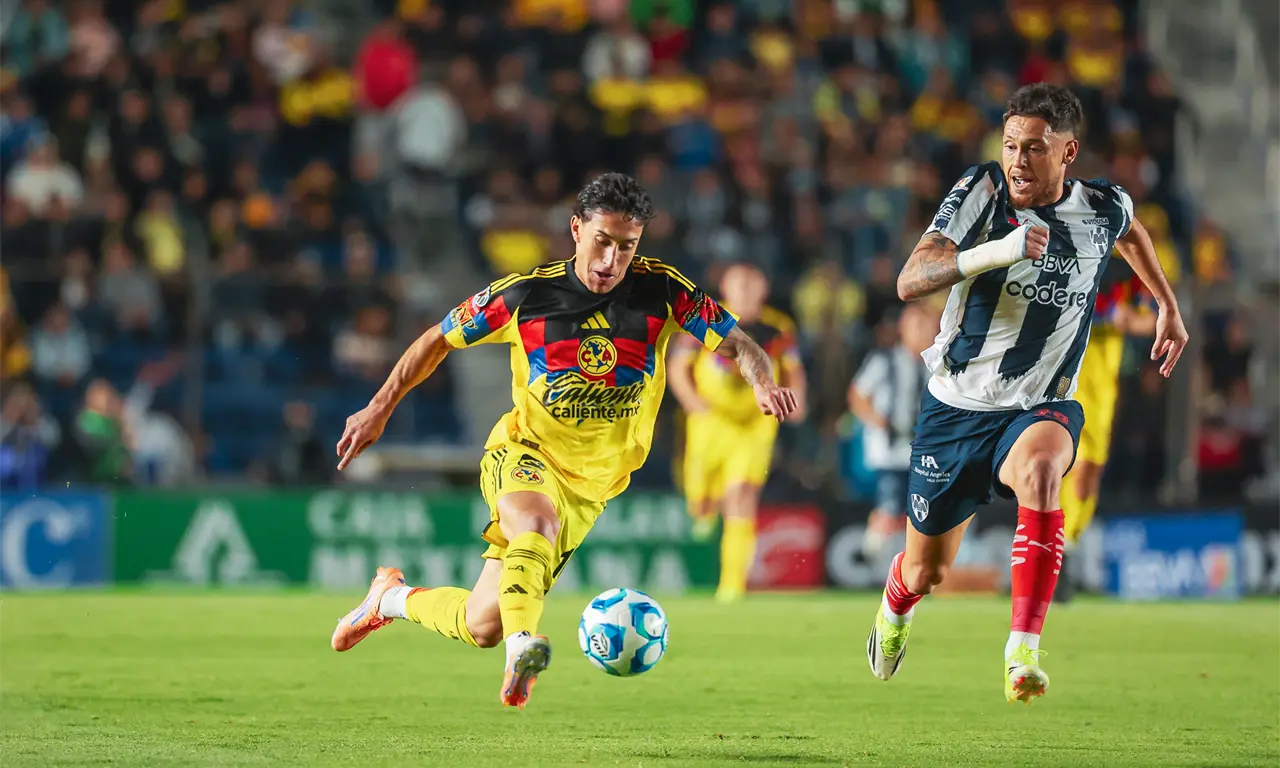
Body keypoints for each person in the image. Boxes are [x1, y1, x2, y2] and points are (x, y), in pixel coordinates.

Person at [330, 174, 798, 708]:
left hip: (592, 486)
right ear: (577, 229)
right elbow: (437, 338)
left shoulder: (664, 291)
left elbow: (739, 343)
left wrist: (763, 382)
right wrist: (379, 405)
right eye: (603, 241)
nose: (612, 260)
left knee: (482, 622)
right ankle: (523, 647)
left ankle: (388, 599)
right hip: (524, 451)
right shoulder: (526, 294)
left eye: (627, 247)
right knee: (535, 524)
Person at [866, 83, 1188, 704]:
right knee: (927, 570)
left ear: (1068, 152)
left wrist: (1167, 305)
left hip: (1039, 403)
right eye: (1010, 144)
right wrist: (996, 251)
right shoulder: (983, 193)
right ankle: (897, 603)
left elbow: (1132, 234)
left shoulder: (1101, 205)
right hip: (956, 408)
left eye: (1034, 148)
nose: (1017, 159)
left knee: (1043, 470)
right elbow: (911, 280)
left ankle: (1023, 651)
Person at [667, 262, 807, 604]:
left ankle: (732, 587)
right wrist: (693, 403)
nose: (744, 290)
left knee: (742, 493)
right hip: (710, 419)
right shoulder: (706, 318)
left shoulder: (778, 327)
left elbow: (793, 369)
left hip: (753, 422)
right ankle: (702, 506)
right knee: (701, 500)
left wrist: (798, 401)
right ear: (725, 289)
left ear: (764, 290)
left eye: (751, 284)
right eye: (738, 284)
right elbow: (678, 367)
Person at [1055, 271, 1157, 601]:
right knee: (1075, 465)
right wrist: (1102, 317)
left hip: (1104, 390)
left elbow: (1152, 320)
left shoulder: (1126, 276)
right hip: (1071, 380)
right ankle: (1057, 551)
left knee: (1092, 471)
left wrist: (1127, 321)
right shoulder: (1076, 264)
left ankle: (1066, 544)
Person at [848, 303, 939, 555]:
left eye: (927, 326)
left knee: (924, 510)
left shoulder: (938, 365)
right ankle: (869, 557)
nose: (922, 333)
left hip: (925, 453)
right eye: (916, 326)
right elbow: (858, 394)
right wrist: (875, 419)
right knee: (889, 507)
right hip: (889, 453)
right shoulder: (883, 360)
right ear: (903, 329)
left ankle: (912, 562)